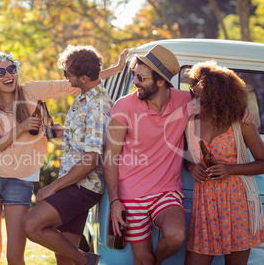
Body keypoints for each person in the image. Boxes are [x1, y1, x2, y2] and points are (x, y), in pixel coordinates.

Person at [0, 48, 128, 265]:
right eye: (0, 73)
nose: (8, 75)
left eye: (11, 69)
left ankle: (86, 260)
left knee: (16, 253)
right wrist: (24, 128)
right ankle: (84, 260)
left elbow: (74, 83)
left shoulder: (32, 91)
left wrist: (117, 69)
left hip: (22, 180)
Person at [104, 45, 255, 265]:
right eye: (135, 75)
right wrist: (115, 200)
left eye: (140, 77)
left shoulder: (186, 101)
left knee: (175, 236)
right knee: (142, 259)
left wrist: (243, 111)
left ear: (161, 81)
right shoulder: (124, 105)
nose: (135, 82)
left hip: (166, 191)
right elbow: (111, 155)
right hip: (131, 194)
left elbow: (219, 103)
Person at [21, 45, 113, 265]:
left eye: (67, 73)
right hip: (75, 185)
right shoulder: (84, 98)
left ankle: (86, 261)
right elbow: (86, 139)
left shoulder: (98, 105)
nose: (64, 76)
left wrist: (53, 187)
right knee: (64, 257)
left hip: (82, 187)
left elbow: (91, 160)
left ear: (83, 77)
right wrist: (64, 132)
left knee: (31, 225)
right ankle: (80, 260)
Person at [183, 61, 264, 265]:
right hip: (205, 205)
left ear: (218, 97)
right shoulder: (190, 122)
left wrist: (231, 169)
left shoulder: (240, 123)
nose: (194, 98)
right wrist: (192, 167)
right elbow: (186, 157)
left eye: (201, 97)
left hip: (238, 203)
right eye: (193, 92)